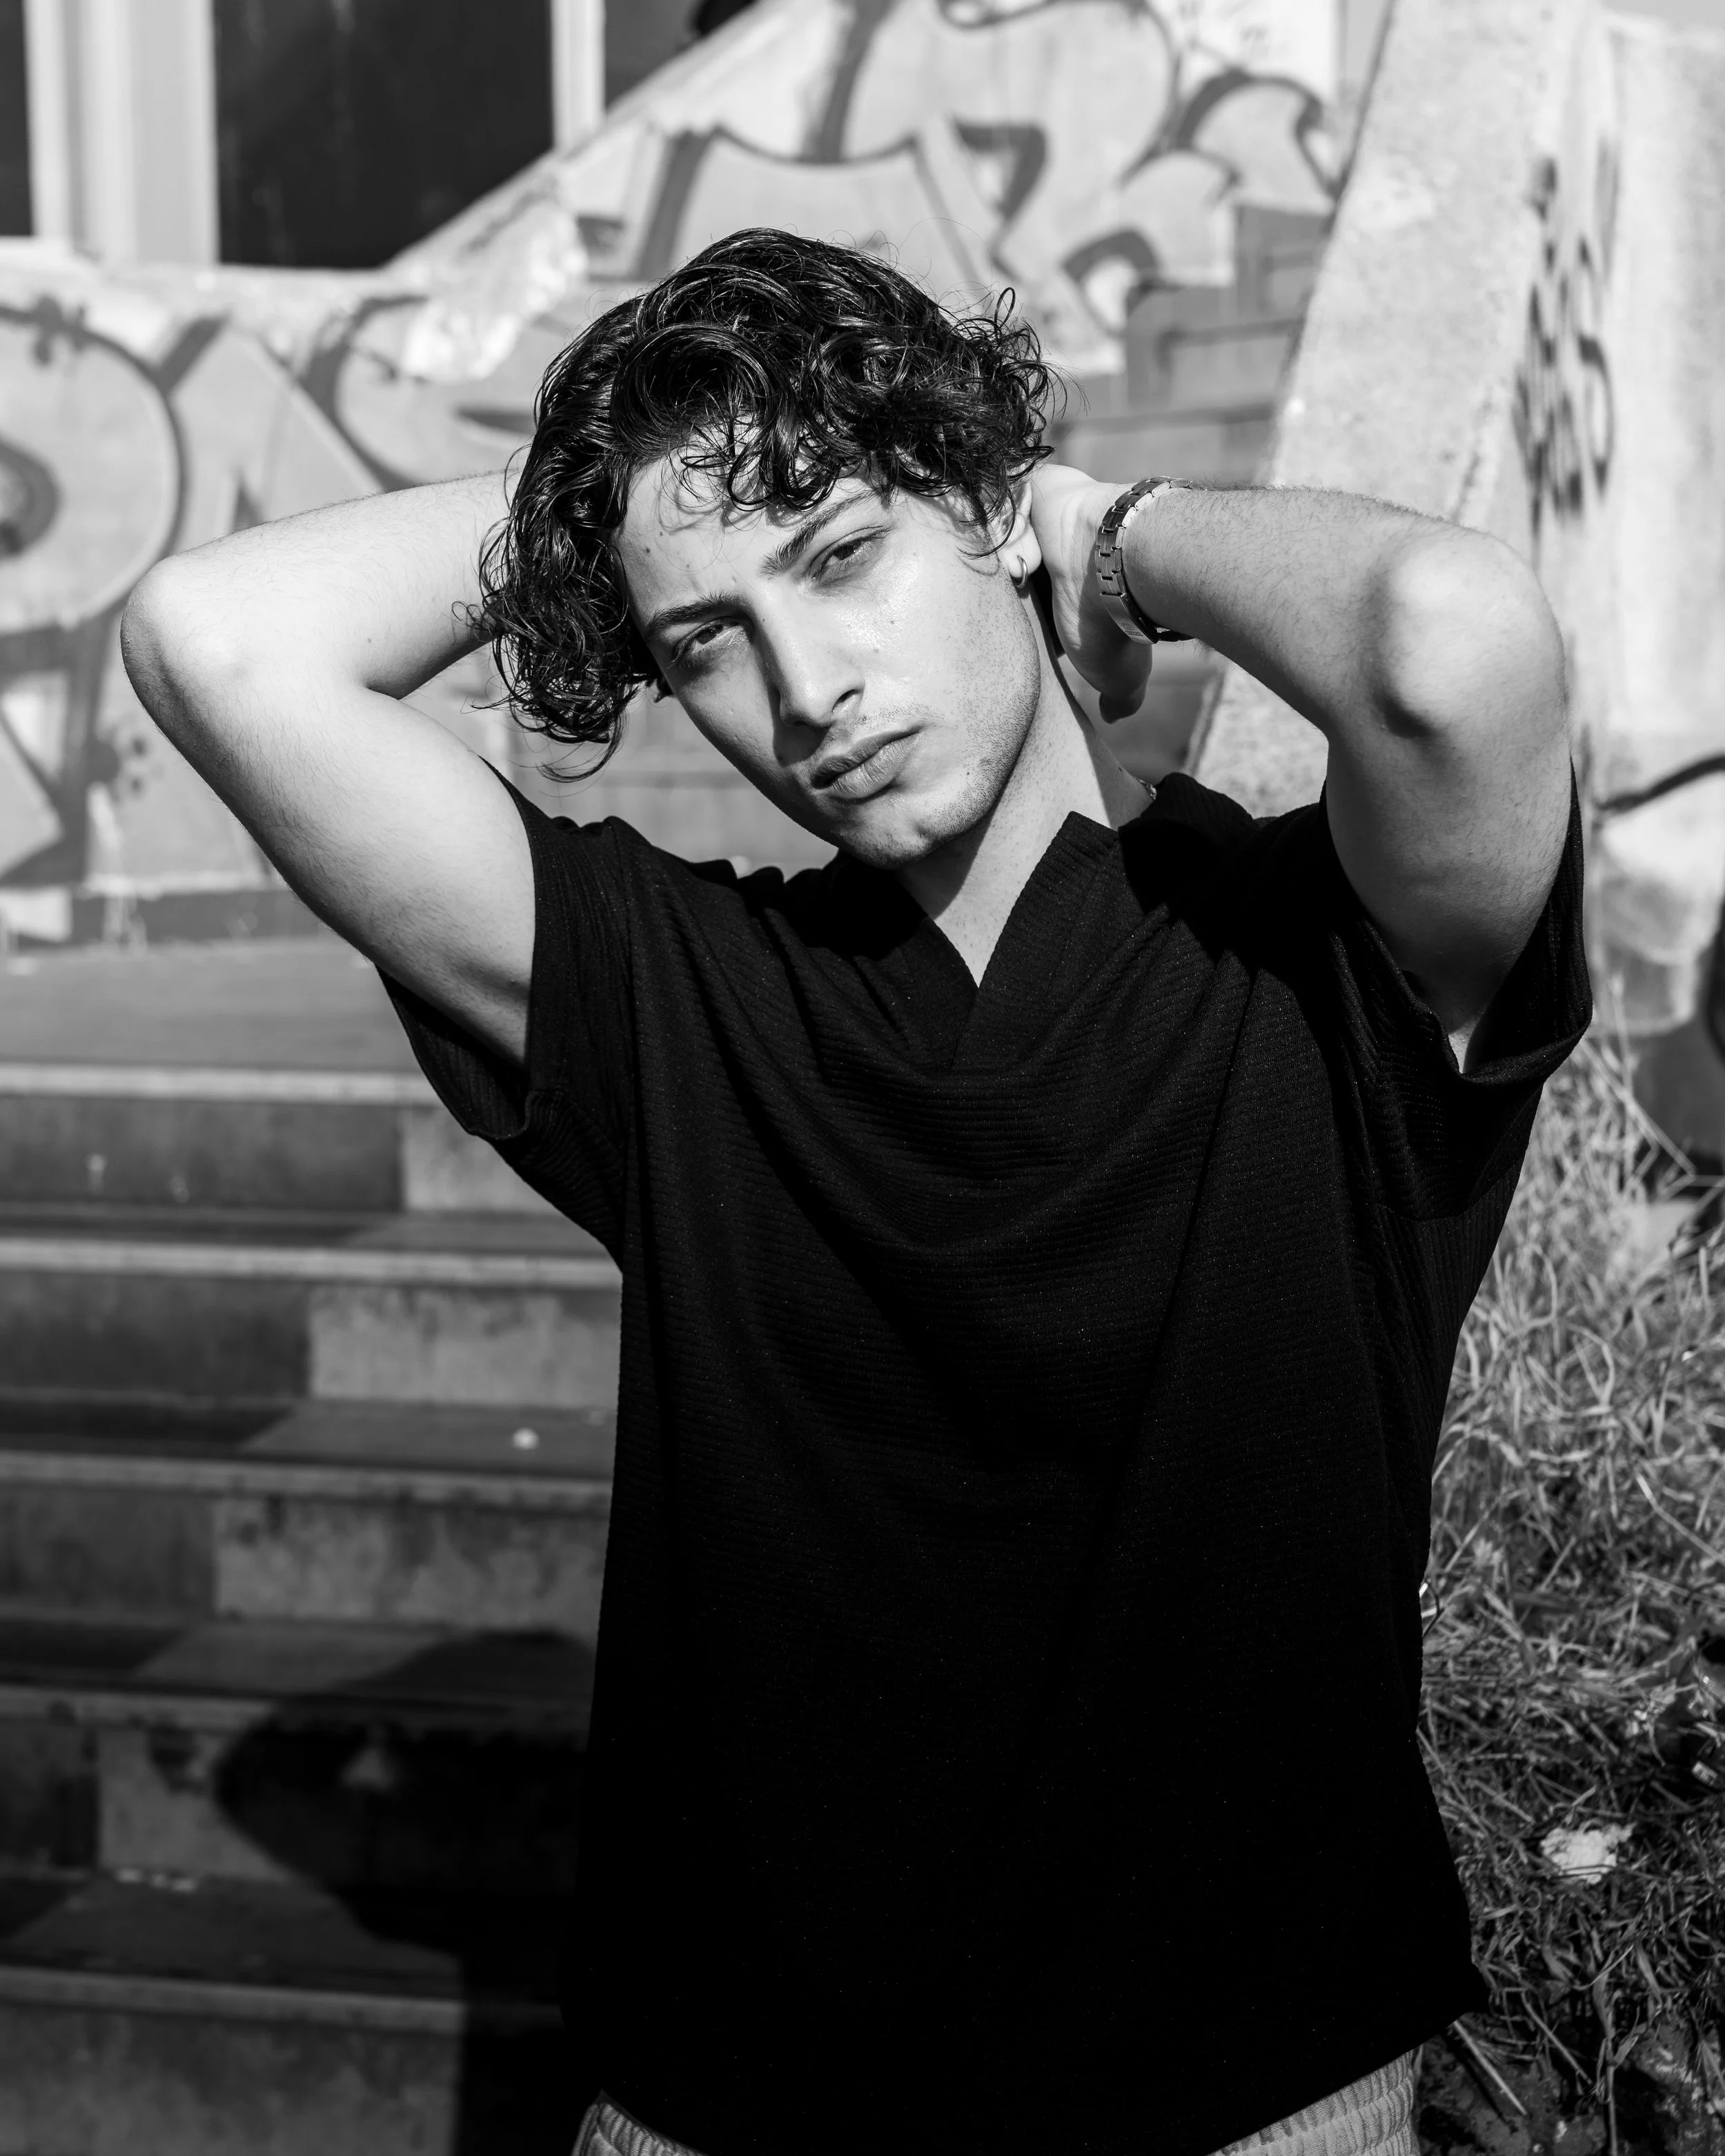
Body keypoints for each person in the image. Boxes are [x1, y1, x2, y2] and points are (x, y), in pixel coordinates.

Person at [122, 228, 1588, 2156]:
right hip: (731, 2106)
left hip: (1255, 2095)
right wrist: (618, 486)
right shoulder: (677, 999)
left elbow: (1447, 645)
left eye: (837, 554)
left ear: (983, 508)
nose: (803, 686)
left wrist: (1108, 520)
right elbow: (209, 638)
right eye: (700, 639)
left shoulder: (1321, 968)